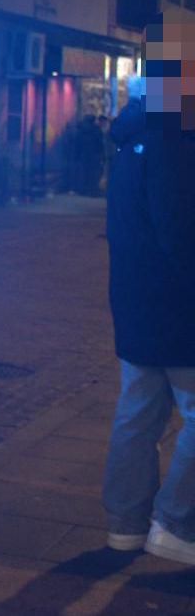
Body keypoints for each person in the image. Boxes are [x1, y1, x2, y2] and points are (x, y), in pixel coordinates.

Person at [102, 31, 195, 565]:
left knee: (137, 415)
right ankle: (176, 523)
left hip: (136, 301)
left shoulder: (133, 134)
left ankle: (127, 525)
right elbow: (179, 229)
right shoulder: (173, 138)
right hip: (178, 307)